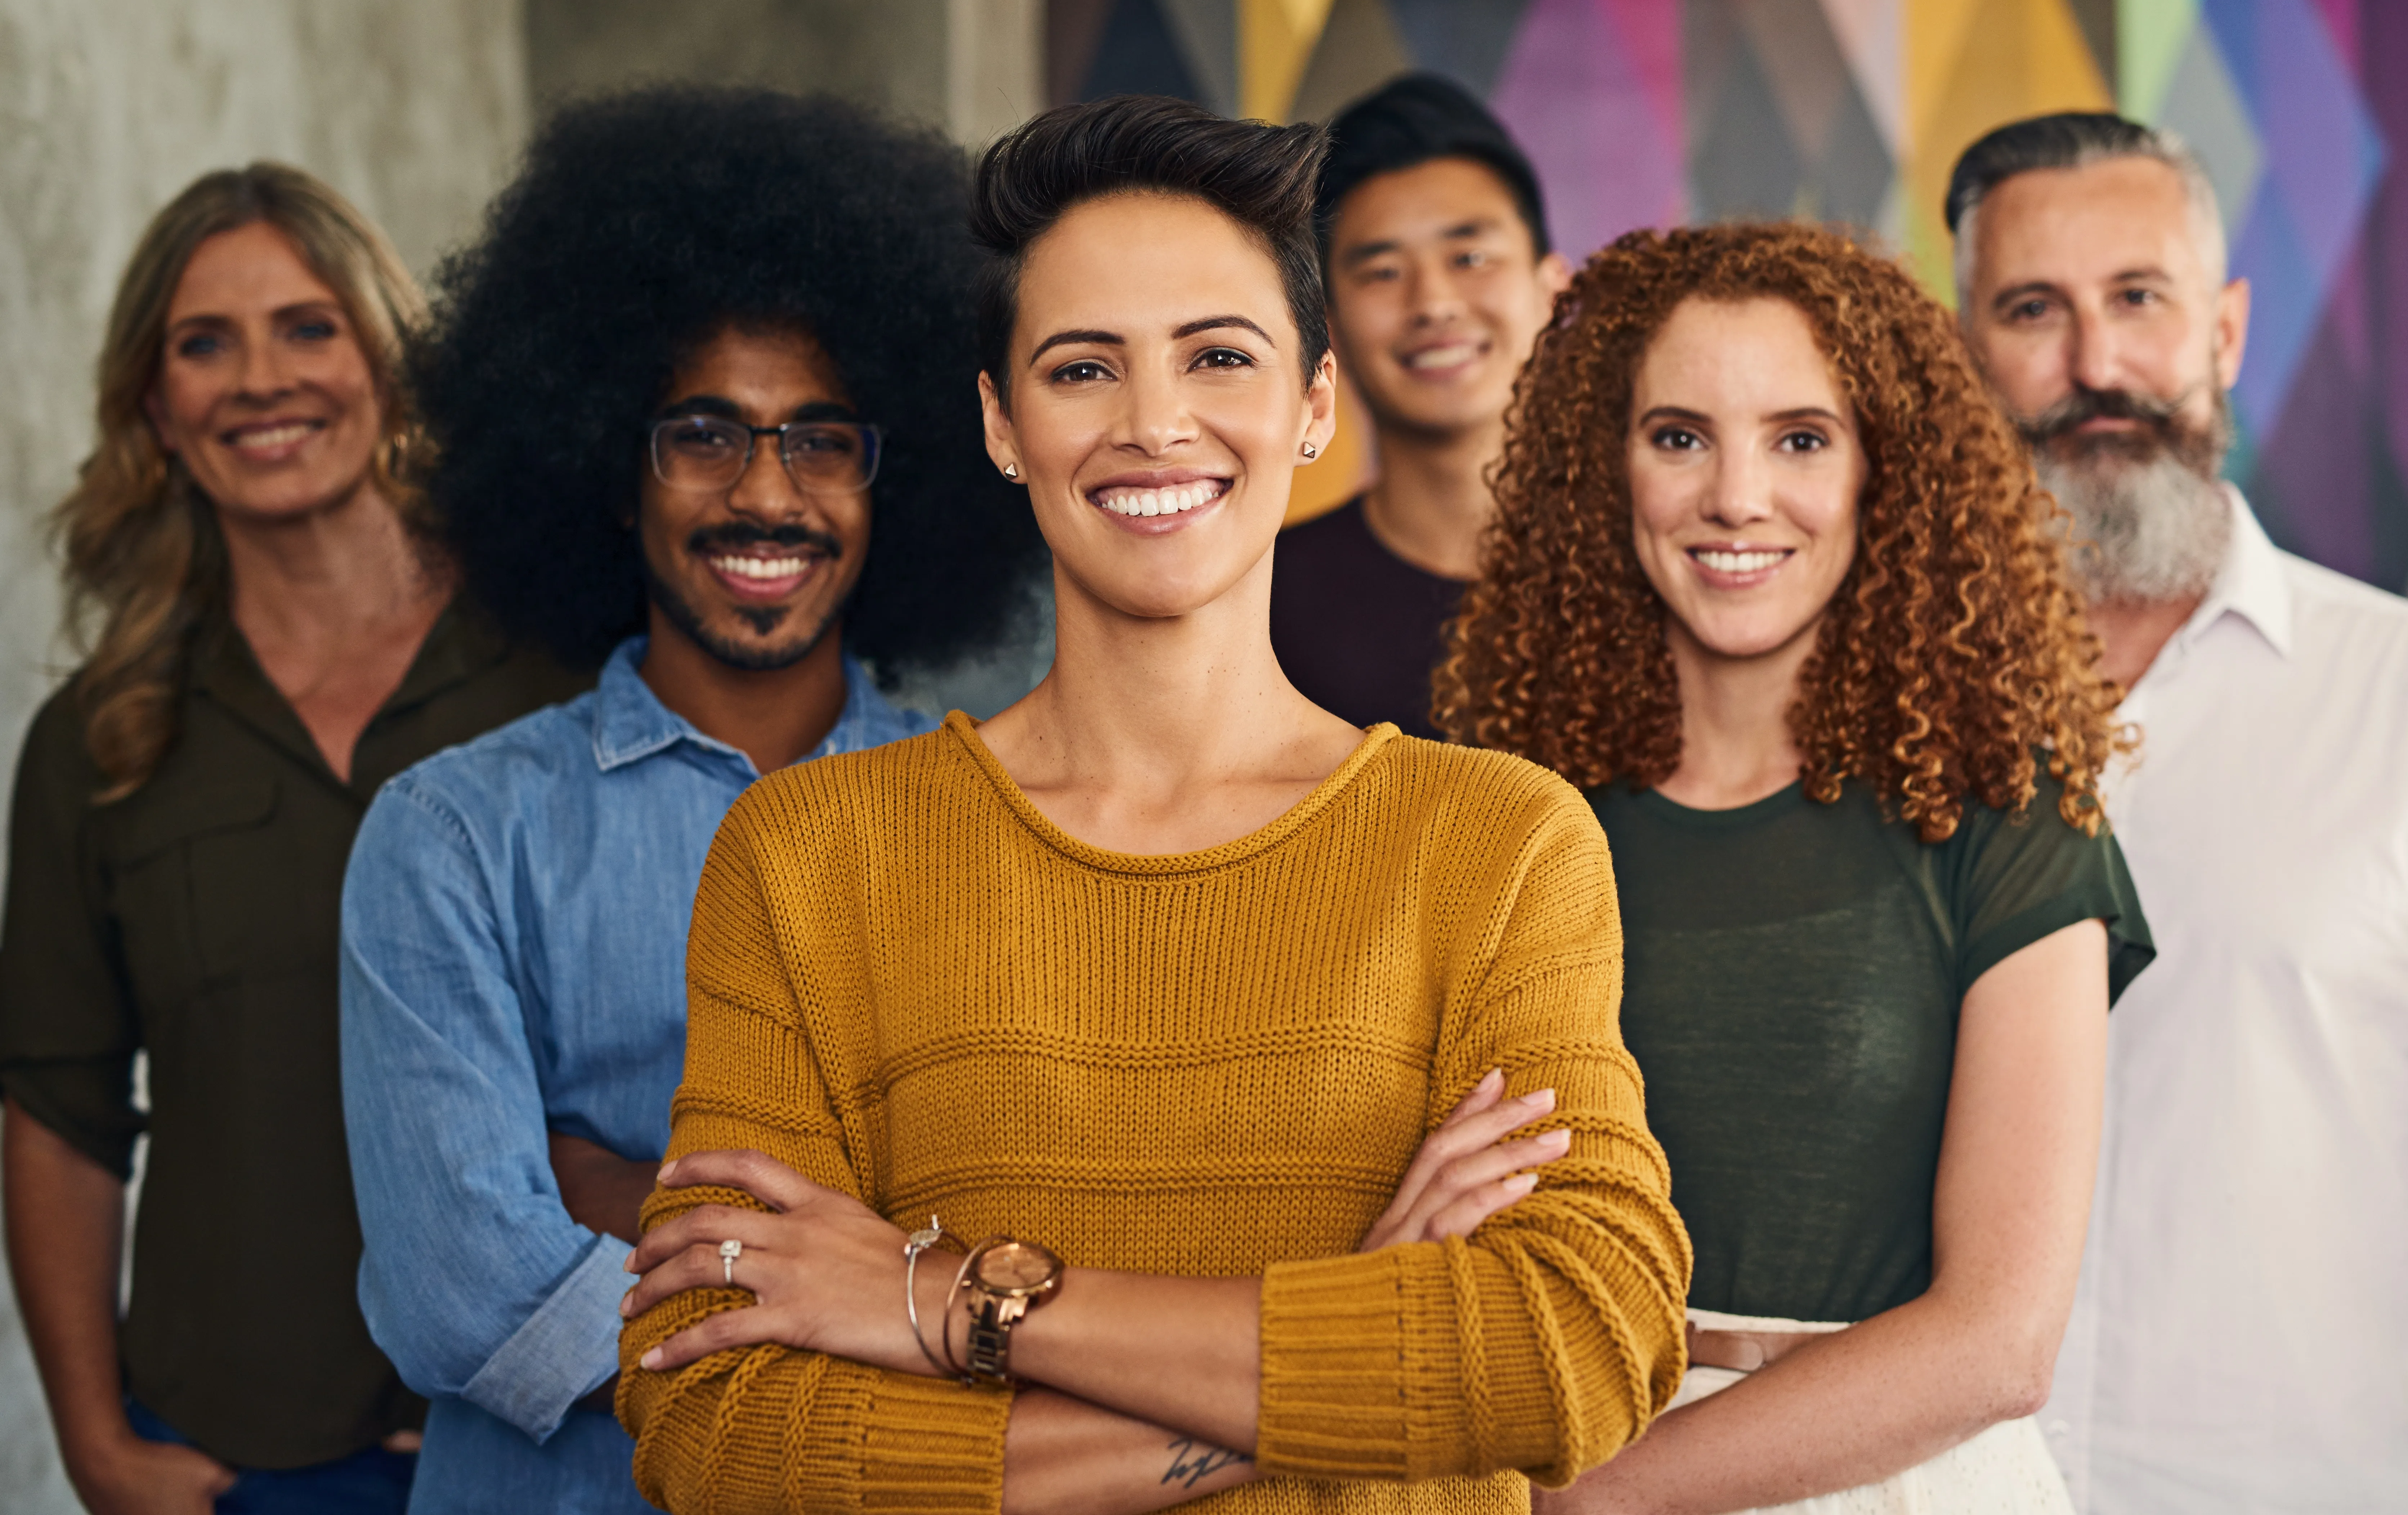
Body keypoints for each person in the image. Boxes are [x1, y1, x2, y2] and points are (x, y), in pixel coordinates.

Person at [610, 94, 1692, 1515]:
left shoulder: (1500, 845)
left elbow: (1578, 1348)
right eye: (1081, 369)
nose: (1155, 423)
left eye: (1219, 357)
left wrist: (960, 1303)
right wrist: (1347, 1347)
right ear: (1002, 424)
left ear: (1313, 407)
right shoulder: (812, 857)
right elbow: (716, 1421)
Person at [330, 86, 1048, 1514]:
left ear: (890, 479)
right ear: (612, 469)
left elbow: (1067, 1222)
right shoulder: (453, 836)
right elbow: (462, 1288)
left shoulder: (1001, 816)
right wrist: (892, 1284)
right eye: (705, 434)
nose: (767, 493)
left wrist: (615, 1188)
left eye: (822, 439)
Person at [1438, 221, 2153, 1513]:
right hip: (1539, 1438)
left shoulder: (2007, 813)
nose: (1734, 496)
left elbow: (1996, 1341)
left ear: (1887, 472)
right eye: (1676, 437)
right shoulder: (1500, 814)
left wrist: (1584, 1499)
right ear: (1602, 471)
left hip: (1884, 1480)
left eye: (1799, 438)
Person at [0, 166, 579, 1514]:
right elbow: (57, 1115)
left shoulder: (561, 660)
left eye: (307, 326)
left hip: (557, 1428)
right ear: (155, 404)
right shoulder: (102, 741)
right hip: (246, 1458)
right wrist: (95, 1444)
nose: (261, 379)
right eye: (204, 343)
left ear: (386, 355)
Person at [1947, 110, 2408, 1512]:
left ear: (2226, 332)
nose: (2096, 367)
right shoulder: (1868, 725)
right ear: (1962, 356)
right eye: (2032, 310)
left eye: (2139, 299)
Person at [1268, 73, 1568, 737]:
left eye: (1470, 256)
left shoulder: (1664, 566)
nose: (1433, 303)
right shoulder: (1263, 606)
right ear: (1330, 329)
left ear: (1554, 289)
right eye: (1382, 271)